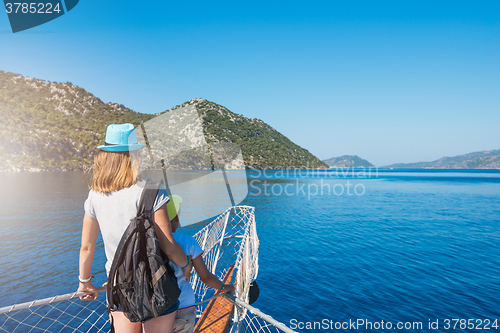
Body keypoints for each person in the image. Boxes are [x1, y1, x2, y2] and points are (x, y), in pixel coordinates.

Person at [77, 123, 192, 333]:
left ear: (104, 156)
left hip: (119, 287)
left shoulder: (94, 195)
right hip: (155, 284)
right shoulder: (152, 190)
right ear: (135, 156)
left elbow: (86, 247)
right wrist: (185, 263)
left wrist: (84, 282)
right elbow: (168, 244)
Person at [166, 195, 235, 333]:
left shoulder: (148, 242)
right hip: (184, 307)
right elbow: (205, 277)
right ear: (176, 219)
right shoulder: (188, 242)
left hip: (158, 309)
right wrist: (224, 286)